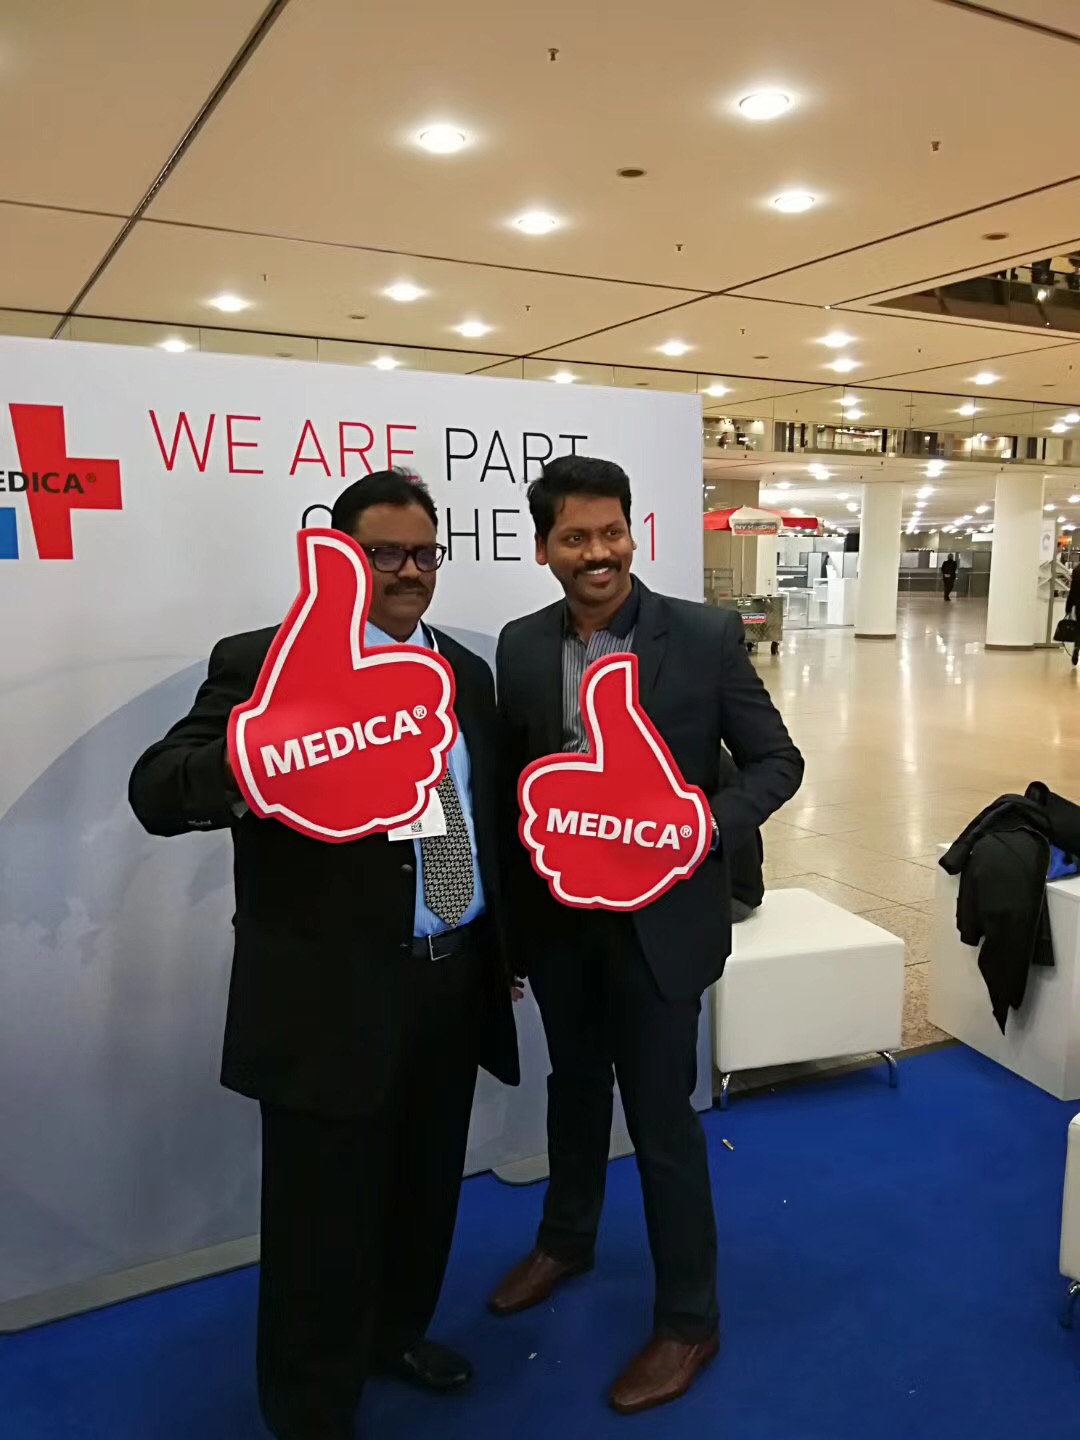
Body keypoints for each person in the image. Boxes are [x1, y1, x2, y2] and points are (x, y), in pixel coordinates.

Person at [128, 470, 519, 1440]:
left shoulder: (464, 672)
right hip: (329, 996)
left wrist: (496, 943)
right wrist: (259, 760)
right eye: (385, 553)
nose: (409, 572)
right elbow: (158, 788)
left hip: (451, 976)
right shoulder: (267, 664)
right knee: (320, 1222)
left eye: (424, 553)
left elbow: (480, 812)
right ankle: (310, 1409)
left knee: (425, 1191)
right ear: (342, 556)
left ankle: (395, 1335)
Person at [488, 456, 803, 1415]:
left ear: (633, 533)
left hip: (661, 929)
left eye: (612, 532)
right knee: (575, 1090)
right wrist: (510, 936)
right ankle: (566, 1240)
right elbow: (512, 794)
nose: (599, 553)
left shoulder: (702, 635)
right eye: (575, 537)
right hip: (561, 926)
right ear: (544, 549)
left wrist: (704, 823)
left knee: (662, 1121)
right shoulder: (521, 645)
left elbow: (776, 761)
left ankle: (689, 1320)